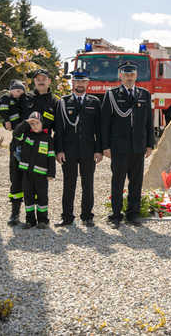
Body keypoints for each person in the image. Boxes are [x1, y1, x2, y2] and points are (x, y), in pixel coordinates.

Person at [101, 61, 154, 228]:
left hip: (138, 146)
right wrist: (105, 146)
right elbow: (105, 123)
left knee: (136, 182)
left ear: (136, 76)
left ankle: (133, 214)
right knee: (118, 181)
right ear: (120, 76)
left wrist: (150, 144)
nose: (129, 77)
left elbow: (148, 122)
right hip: (119, 146)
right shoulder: (112, 95)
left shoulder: (144, 94)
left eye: (132, 74)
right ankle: (116, 215)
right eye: (126, 74)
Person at [54, 70, 103, 228]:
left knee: (87, 184)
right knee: (69, 184)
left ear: (88, 83)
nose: (80, 84)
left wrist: (98, 150)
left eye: (83, 82)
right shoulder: (63, 102)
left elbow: (99, 129)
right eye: (77, 81)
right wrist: (59, 150)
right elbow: (59, 129)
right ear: (72, 83)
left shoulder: (94, 102)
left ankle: (87, 216)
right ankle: (67, 217)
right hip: (68, 150)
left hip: (88, 149)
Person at [13, 111, 56, 229]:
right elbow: (16, 133)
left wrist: (51, 173)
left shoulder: (48, 139)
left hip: (41, 175)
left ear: (42, 124)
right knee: (28, 197)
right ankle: (30, 220)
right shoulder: (26, 136)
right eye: (32, 124)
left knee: (42, 197)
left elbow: (51, 157)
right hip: (27, 174)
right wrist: (25, 123)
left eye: (37, 123)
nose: (35, 126)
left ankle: (43, 220)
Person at [0, 79, 27, 226]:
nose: (19, 93)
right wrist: (6, 121)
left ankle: (33, 215)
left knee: (33, 180)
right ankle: (15, 213)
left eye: (21, 91)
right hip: (16, 143)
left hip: (31, 145)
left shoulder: (28, 100)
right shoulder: (7, 100)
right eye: (17, 90)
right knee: (15, 179)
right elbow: (4, 112)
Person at [22, 69, 60, 134]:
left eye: (44, 79)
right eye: (38, 80)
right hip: (26, 140)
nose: (41, 82)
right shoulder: (26, 97)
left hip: (44, 141)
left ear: (49, 81)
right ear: (34, 81)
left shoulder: (55, 102)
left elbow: (58, 127)